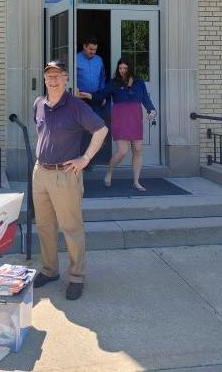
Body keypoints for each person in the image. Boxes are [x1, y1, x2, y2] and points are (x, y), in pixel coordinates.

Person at [32, 60, 108, 300]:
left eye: (57, 76)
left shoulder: (75, 106)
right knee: (44, 226)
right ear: (44, 79)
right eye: (49, 76)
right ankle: (49, 269)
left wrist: (85, 158)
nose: (52, 80)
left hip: (65, 175)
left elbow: (101, 130)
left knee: (71, 228)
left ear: (66, 78)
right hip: (40, 173)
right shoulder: (39, 104)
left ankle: (76, 276)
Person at [79, 57, 156, 192]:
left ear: (130, 68)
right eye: (120, 68)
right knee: (122, 151)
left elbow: (146, 99)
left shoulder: (139, 83)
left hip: (135, 118)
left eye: (125, 68)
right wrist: (86, 95)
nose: (122, 71)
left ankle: (136, 181)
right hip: (120, 118)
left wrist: (152, 111)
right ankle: (110, 171)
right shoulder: (114, 83)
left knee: (138, 149)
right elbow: (100, 95)